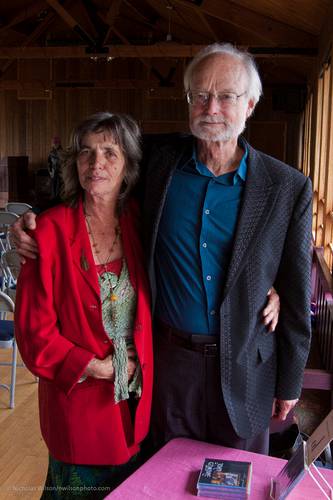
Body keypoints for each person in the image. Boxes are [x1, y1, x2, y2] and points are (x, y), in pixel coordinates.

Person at [12, 44, 296, 457]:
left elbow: (293, 272)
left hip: (243, 367)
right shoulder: (162, 165)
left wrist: (276, 294)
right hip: (168, 362)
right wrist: (30, 219)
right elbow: (96, 181)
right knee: (164, 470)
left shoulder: (286, 185)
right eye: (199, 95)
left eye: (225, 96)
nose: (210, 106)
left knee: (239, 476)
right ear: (188, 102)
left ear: (250, 104)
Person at [14, 112, 153, 499]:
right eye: (87, 153)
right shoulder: (49, 230)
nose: (97, 164)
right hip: (78, 407)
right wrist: (99, 368)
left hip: (136, 407)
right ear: (75, 163)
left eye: (110, 152)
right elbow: (33, 335)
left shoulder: (140, 222)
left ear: (128, 165)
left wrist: (272, 287)